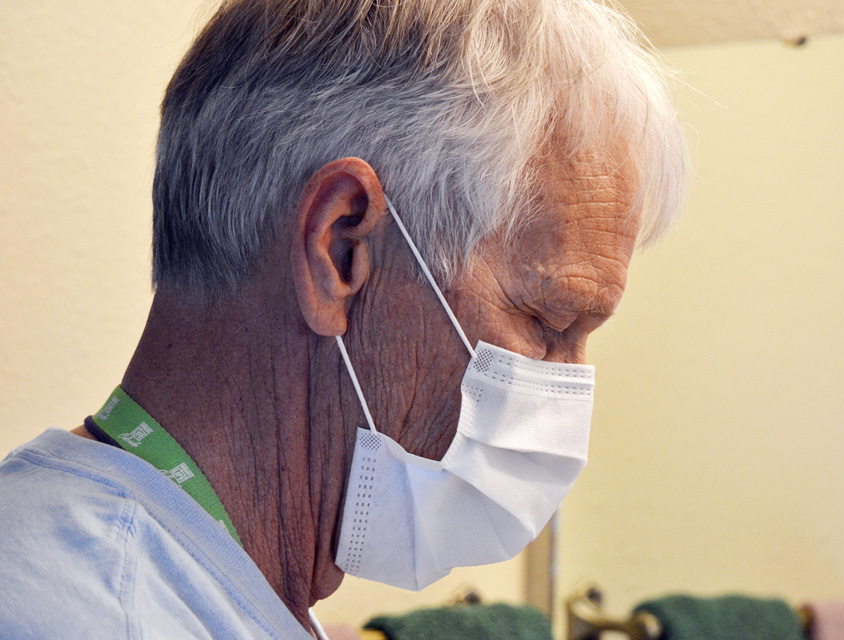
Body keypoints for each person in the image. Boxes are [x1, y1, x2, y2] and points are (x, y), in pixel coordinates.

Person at [0, 0, 687, 637]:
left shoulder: (214, 583)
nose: (566, 398)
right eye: (548, 321)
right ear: (340, 246)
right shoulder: (73, 614)